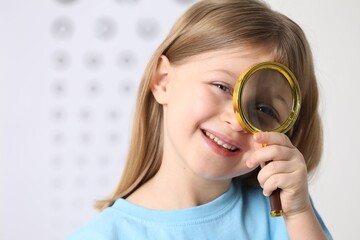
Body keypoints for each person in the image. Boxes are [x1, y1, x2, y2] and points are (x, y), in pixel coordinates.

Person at [68, 0, 332, 239]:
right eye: (221, 86)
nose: (237, 120)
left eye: (263, 109)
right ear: (163, 81)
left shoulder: (287, 215)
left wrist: (298, 215)